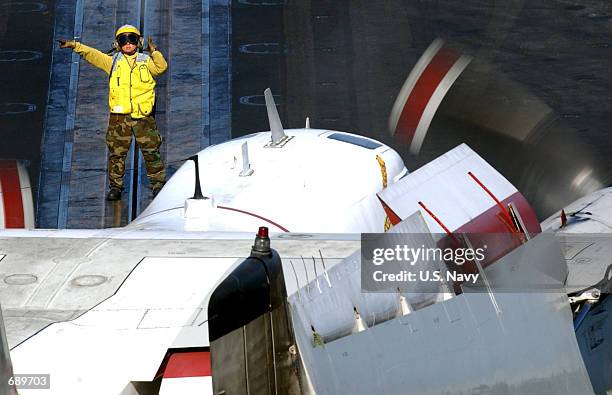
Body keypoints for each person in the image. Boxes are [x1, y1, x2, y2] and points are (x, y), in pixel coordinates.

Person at [58, 25, 167, 201]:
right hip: (119, 118)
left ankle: (158, 184)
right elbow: (93, 55)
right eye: (124, 40)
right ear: (118, 43)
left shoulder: (146, 61)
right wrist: (75, 45)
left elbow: (161, 68)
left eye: (132, 39)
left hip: (143, 117)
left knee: (151, 151)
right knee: (117, 154)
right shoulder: (113, 62)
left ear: (138, 42)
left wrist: (155, 52)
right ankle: (116, 186)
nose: (128, 44)